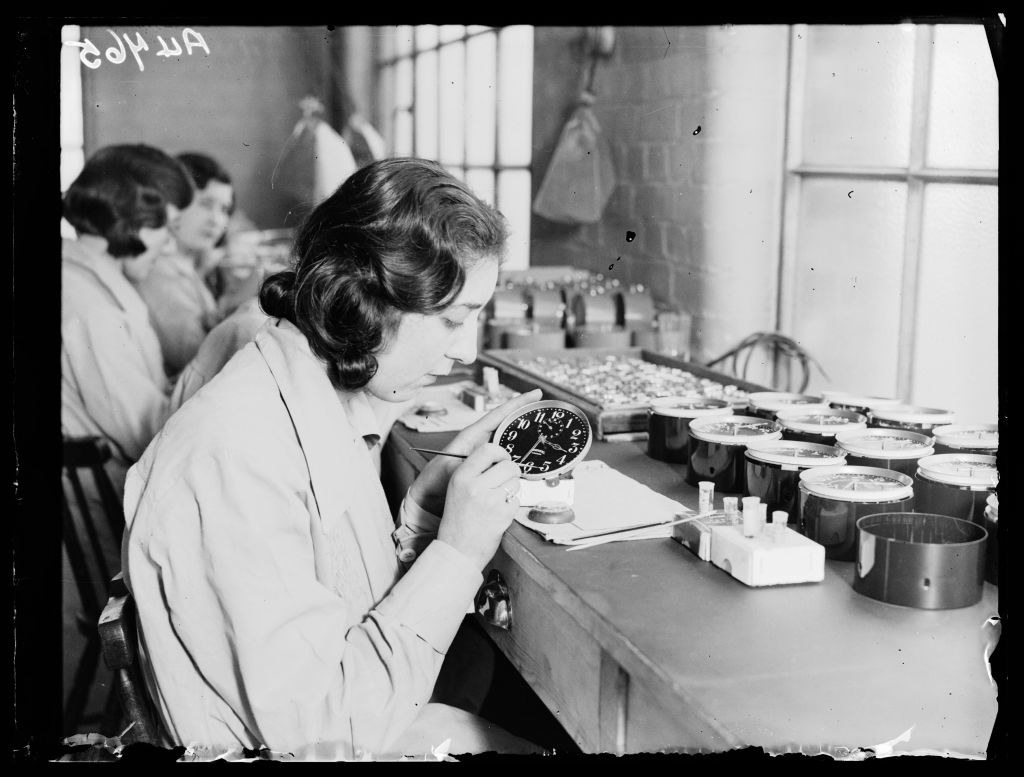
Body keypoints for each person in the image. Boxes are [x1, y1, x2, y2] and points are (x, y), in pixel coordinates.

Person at [121, 158, 545, 760]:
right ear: (366, 301)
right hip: (306, 746)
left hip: (337, 719)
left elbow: (344, 596)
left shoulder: (304, 394)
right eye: (454, 320)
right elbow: (329, 729)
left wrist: (423, 519)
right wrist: (460, 551)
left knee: (484, 666)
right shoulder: (237, 454)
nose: (463, 351)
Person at [62, 143, 194, 514]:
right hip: (99, 513)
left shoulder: (82, 277)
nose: (169, 247)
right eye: (165, 229)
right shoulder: (91, 308)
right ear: (128, 220)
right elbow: (148, 435)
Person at [132, 152, 234, 377]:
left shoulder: (184, 263)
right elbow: (197, 357)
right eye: (206, 204)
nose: (216, 220)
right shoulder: (156, 271)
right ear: (174, 203)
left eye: (224, 210)